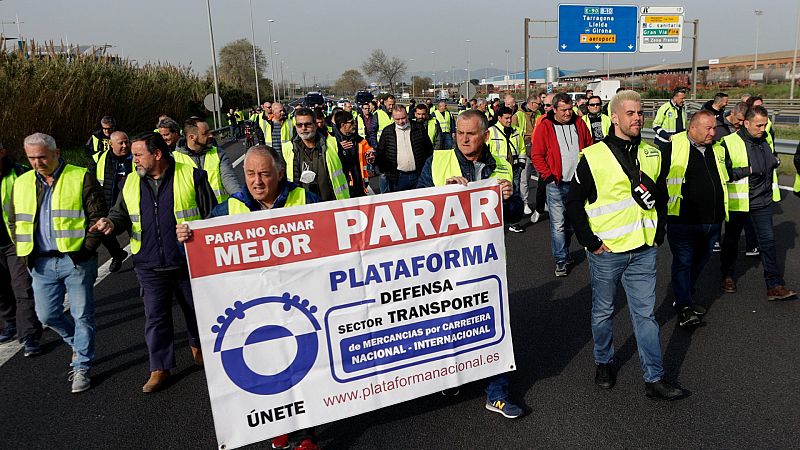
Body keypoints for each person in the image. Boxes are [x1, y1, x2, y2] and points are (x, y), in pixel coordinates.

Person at [176, 145, 320, 450]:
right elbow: (198, 253)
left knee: (304, 365)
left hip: (299, 303)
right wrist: (186, 240)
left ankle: (304, 434)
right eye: (251, 173)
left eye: (265, 174)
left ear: (280, 173)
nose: (257, 181)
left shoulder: (304, 199)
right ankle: (280, 424)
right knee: (269, 366)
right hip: (254, 308)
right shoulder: (229, 208)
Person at [565, 90, 685, 400]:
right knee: (603, 312)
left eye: (640, 112)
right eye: (630, 113)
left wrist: (660, 233)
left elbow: (660, 198)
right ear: (615, 117)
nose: (637, 118)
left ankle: (654, 378)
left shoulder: (653, 154)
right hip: (607, 251)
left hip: (645, 249)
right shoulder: (593, 156)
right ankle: (603, 361)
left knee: (645, 316)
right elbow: (574, 203)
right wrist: (590, 242)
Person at [416, 110, 524, 419]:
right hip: (443, 261)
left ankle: (497, 392)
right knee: (448, 322)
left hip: (485, 261)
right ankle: (451, 377)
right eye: (459, 133)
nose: (463, 139)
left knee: (493, 322)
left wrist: (509, 197)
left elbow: (515, 214)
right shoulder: (438, 162)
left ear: (485, 136)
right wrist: (441, 195)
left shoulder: (501, 166)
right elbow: (411, 207)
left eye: (470, 133)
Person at [90, 132, 217, 393]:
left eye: (138, 154)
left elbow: (211, 216)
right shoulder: (130, 182)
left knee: (196, 310)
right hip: (148, 263)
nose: (133, 158)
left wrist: (195, 231)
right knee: (156, 317)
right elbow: (120, 214)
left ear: (157, 154)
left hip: (186, 261)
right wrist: (111, 223)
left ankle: (198, 346)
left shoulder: (192, 176)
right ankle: (159, 367)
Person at [9, 133, 108, 393]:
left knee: (82, 314)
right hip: (40, 262)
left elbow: (97, 215)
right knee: (47, 315)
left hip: (75, 260)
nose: (37, 162)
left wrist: (86, 249)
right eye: (31, 158)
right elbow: (13, 219)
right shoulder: (21, 183)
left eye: (42, 156)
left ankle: (82, 365)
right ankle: (78, 343)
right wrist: (24, 250)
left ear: (56, 152)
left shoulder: (80, 176)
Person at [719, 105, 796, 301]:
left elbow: (770, 165)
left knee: (768, 242)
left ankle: (774, 285)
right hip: (738, 203)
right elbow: (723, 173)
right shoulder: (728, 142)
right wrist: (747, 170)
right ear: (746, 123)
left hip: (762, 201)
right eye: (759, 125)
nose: (763, 129)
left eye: (764, 125)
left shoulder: (765, 140)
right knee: (731, 241)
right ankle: (727, 276)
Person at [662, 111, 728, 328]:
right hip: (683, 221)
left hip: (713, 220)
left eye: (714, 128)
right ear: (692, 128)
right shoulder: (673, 147)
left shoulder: (717, 148)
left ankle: (685, 298)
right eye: (708, 128)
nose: (713, 132)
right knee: (683, 263)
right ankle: (684, 308)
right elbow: (659, 179)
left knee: (700, 262)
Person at [530, 92, 592, 276]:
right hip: (556, 183)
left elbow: (589, 145)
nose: (567, 113)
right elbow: (537, 155)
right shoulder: (545, 127)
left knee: (573, 222)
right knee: (557, 224)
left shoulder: (579, 123)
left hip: (578, 184)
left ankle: (564, 250)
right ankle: (561, 259)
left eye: (570, 109)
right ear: (554, 109)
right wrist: (548, 177)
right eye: (563, 110)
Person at [0, 142, 43, 356]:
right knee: (1, 289)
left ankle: (29, 336)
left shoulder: (19, 174)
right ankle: (10, 323)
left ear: (2, 152)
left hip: (15, 241)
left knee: (22, 288)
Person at [281, 108, 350, 202]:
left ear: (315, 125)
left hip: (332, 204)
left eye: (307, 124)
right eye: (299, 125)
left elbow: (346, 171)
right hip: (302, 206)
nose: (303, 128)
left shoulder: (333, 143)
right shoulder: (288, 148)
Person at [87, 131, 132, 273]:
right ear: (111, 144)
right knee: (104, 232)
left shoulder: (136, 157)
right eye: (121, 143)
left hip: (131, 202)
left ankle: (141, 259)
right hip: (106, 202)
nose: (125, 146)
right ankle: (117, 254)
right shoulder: (99, 158)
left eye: (126, 142)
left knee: (137, 233)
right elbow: (89, 181)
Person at [173, 117, 241, 204]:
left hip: (220, 212)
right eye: (205, 133)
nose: (211, 135)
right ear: (192, 137)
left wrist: (238, 196)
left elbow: (228, 177)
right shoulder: (174, 159)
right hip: (194, 216)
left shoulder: (218, 153)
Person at [375, 105, 433, 193]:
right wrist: (386, 172)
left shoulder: (418, 128)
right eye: (397, 119)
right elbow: (381, 153)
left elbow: (428, 149)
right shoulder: (388, 132)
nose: (401, 121)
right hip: (399, 177)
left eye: (403, 118)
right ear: (393, 118)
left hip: (418, 175)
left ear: (407, 115)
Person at [487, 106, 526, 233]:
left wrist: (521, 164)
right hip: (498, 171)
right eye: (507, 118)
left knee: (514, 195)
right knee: (496, 197)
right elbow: (485, 150)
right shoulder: (491, 131)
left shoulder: (516, 130)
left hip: (514, 168)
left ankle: (514, 222)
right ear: (499, 118)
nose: (510, 120)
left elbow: (522, 148)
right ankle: (494, 223)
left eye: (511, 117)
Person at [332, 110, 370, 197]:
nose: (355, 124)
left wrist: (372, 155)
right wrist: (338, 147)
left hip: (359, 185)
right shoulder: (332, 141)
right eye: (351, 122)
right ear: (343, 125)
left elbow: (369, 150)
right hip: (344, 188)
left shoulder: (357, 139)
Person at [653, 87, 688, 151]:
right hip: (665, 143)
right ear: (675, 98)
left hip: (678, 143)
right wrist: (667, 136)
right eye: (682, 98)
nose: (684, 100)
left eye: (684, 98)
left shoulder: (682, 109)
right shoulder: (665, 108)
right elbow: (655, 125)